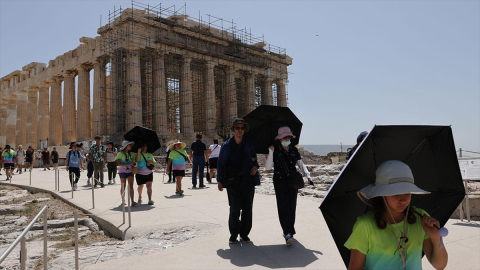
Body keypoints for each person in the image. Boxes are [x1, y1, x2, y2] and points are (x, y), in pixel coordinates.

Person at [345, 160, 448, 270]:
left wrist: (436, 238)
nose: (403, 200)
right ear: (382, 194)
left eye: (407, 192)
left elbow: (439, 265)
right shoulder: (365, 225)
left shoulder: (421, 219)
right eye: (395, 193)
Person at [265, 126, 311, 245]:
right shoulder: (275, 150)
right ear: (280, 139)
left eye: (289, 137)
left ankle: (290, 229)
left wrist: (308, 175)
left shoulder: (294, 150)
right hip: (280, 181)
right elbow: (268, 167)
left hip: (292, 181)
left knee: (292, 206)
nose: (287, 139)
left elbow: (300, 164)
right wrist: (270, 152)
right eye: (285, 137)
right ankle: (287, 232)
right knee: (283, 206)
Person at [217, 118, 259, 244]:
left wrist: (255, 166)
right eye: (237, 128)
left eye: (242, 128)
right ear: (233, 130)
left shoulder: (248, 144)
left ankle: (245, 234)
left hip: (247, 179)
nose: (240, 130)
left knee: (247, 208)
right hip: (232, 181)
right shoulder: (227, 145)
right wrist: (219, 180)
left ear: (244, 130)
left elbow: (254, 159)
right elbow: (221, 163)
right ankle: (234, 233)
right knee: (235, 208)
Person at [116, 140, 137, 206]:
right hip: (122, 172)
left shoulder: (132, 154)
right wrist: (129, 163)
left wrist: (133, 164)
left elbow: (135, 160)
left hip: (130, 171)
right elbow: (118, 163)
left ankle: (132, 201)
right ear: (126, 146)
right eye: (129, 145)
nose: (131, 146)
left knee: (131, 186)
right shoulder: (120, 154)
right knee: (123, 186)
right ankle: (123, 200)